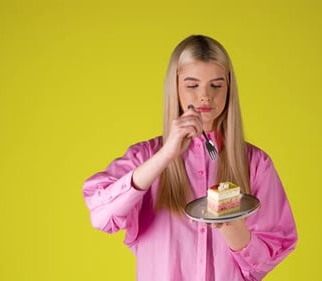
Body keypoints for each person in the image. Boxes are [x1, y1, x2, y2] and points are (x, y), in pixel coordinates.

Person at [82, 34, 298, 281]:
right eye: (192, 85)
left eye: (216, 85)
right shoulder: (145, 157)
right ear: (175, 88)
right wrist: (166, 155)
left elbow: (265, 262)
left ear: (229, 88)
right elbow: (100, 215)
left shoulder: (256, 163)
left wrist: (229, 220)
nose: (205, 96)